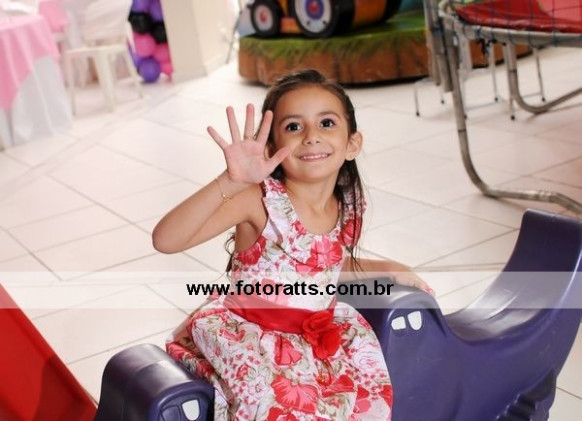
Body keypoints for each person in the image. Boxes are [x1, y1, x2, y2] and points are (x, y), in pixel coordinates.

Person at [153, 69, 433, 421]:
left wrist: (388, 268)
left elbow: (321, 269)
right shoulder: (259, 201)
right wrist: (230, 181)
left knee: (365, 401)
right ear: (272, 148)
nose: (312, 136)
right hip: (253, 337)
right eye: (294, 126)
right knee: (274, 407)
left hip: (319, 337)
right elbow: (166, 240)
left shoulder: (346, 204)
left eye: (327, 123)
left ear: (352, 144)